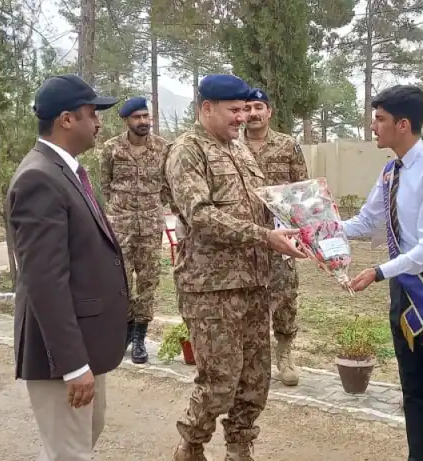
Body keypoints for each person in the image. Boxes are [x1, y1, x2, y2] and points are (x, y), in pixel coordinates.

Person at [164, 74, 307, 461]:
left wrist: (302, 225)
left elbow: (263, 206)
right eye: (234, 110)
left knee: (255, 381)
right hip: (212, 290)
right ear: (207, 108)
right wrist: (264, 237)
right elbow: (201, 216)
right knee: (220, 383)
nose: (242, 118)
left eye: (246, 110)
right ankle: (191, 445)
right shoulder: (187, 151)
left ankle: (239, 449)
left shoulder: (240, 151)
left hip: (257, 284)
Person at [339, 84, 423, 461]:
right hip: (402, 286)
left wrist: (378, 271)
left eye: (379, 120)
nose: (373, 127)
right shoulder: (390, 171)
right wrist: (321, 230)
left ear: (402, 124)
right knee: (412, 390)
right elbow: (368, 219)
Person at [5, 74, 130, 461]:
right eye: (93, 113)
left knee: (80, 440)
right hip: (61, 355)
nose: (99, 123)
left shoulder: (64, 170)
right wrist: (73, 365)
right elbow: (44, 282)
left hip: (83, 341)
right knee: (70, 453)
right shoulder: (38, 179)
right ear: (66, 119)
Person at [242, 88, 309, 387]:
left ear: (269, 112)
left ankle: (284, 353)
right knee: (245, 298)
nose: (253, 113)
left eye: (259, 107)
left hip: (282, 238)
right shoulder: (231, 146)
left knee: (284, 296)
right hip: (245, 238)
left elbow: (302, 191)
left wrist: (302, 235)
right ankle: (251, 358)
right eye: (248, 107)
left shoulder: (288, 146)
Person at [98, 96, 171, 364]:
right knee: (121, 282)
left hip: (151, 227)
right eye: (137, 117)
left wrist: (153, 205)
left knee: (148, 282)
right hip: (121, 227)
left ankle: (140, 336)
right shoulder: (111, 149)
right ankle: (125, 330)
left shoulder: (163, 148)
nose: (143, 122)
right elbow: (106, 184)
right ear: (126, 120)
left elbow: (167, 185)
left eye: (146, 116)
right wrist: (121, 210)